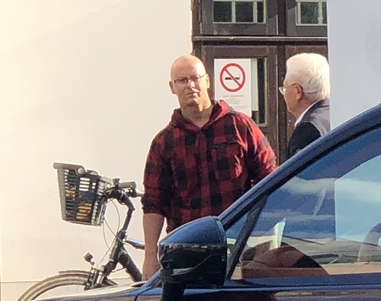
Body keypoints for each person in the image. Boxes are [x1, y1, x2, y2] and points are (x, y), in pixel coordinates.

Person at [140, 54, 275, 246]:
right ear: (172, 87)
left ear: (207, 81)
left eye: (195, 78)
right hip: (186, 246)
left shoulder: (240, 126)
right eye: (182, 80)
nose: (190, 85)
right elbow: (154, 202)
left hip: (237, 240)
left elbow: (268, 179)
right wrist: (150, 255)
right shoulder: (164, 142)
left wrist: (263, 237)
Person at [281, 52, 332, 154]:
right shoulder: (335, 114)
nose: (283, 94)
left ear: (297, 91)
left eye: (284, 88)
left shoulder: (307, 130)